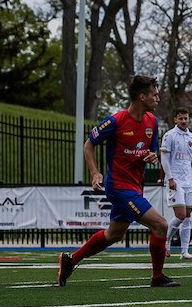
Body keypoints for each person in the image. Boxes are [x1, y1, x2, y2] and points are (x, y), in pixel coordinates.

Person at [57, 75, 179, 287]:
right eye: (154, 94)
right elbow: (88, 144)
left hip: (135, 186)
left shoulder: (152, 121)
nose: (158, 98)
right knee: (160, 225)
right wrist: (95, 173)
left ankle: (70, 260)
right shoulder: (116, 121)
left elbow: (152, 149)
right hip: (119, 187)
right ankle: (157, 277)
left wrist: (153, 155)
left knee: (113, 234)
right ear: (142, 97)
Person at [160, 107, 192, 260]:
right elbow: (164, 158)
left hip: (189, 181)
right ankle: (165, 241)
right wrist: (170, 178)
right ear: (175, 119)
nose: (184, 121)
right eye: (181, 118)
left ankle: (184, 252)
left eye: (186, 118)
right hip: (175, 180)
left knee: (188, 216)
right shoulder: (169, 135)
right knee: (181, 215)